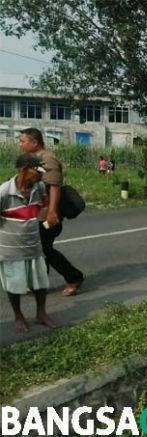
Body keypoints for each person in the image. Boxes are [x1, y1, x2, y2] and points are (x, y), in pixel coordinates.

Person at [19, 128, 85, 296]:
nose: (20, 144)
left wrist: (53, 212)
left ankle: (74, 277)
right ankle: (39, 283)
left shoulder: (47, 158)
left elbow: (54, 186)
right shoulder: (32, 160)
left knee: (44, 249)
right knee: (40, 248)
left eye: (23, 141)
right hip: (36, 212)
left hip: (47, 212)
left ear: (34, 142)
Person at [1, 155, 57, 332]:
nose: (41, 175)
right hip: (11, 249)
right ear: (23, 170)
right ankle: (18, 316)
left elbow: (42, 209)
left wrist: (48, 215)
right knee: (15, 285)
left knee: (41, 283)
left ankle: (41, 313)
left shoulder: (39, 188)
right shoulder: (3, 192)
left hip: (34, 245)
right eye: (37, 171)